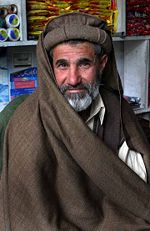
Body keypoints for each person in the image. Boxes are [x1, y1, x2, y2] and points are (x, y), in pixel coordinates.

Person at [0, 12, 150, 231]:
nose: (72, 79)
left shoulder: (117, 109)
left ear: (102, 63)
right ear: (50, 68)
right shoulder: (26, 123)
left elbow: (135, 191)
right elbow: (29, 215)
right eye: (62, 65)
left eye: (84, 64)